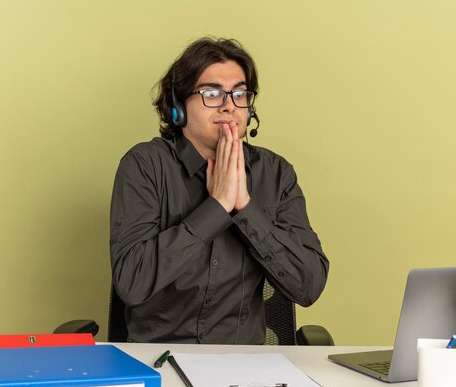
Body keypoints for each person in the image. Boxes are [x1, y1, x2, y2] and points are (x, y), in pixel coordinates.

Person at [110, 37, 329, 344]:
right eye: (212, 93)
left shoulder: (276, 173)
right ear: (178, 106)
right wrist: (217, 206)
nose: (229, 105)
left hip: (244, 365)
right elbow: (132, 282)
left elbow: (308, 286)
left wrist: (244, 207)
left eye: (239, 93)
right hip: (158, 361)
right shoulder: (145, 165)